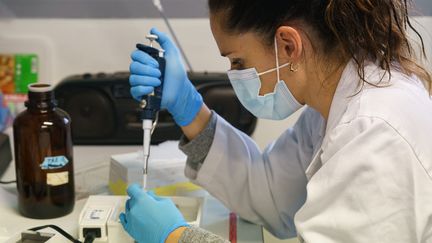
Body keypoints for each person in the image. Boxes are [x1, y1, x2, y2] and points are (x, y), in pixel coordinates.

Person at [119, 0, 432, 242]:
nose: (236, 74)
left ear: (288, 45)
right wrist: (189, 107)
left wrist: (176, 237)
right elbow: (271, 195)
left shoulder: (376, 133)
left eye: (238, 61)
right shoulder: (333, 105)